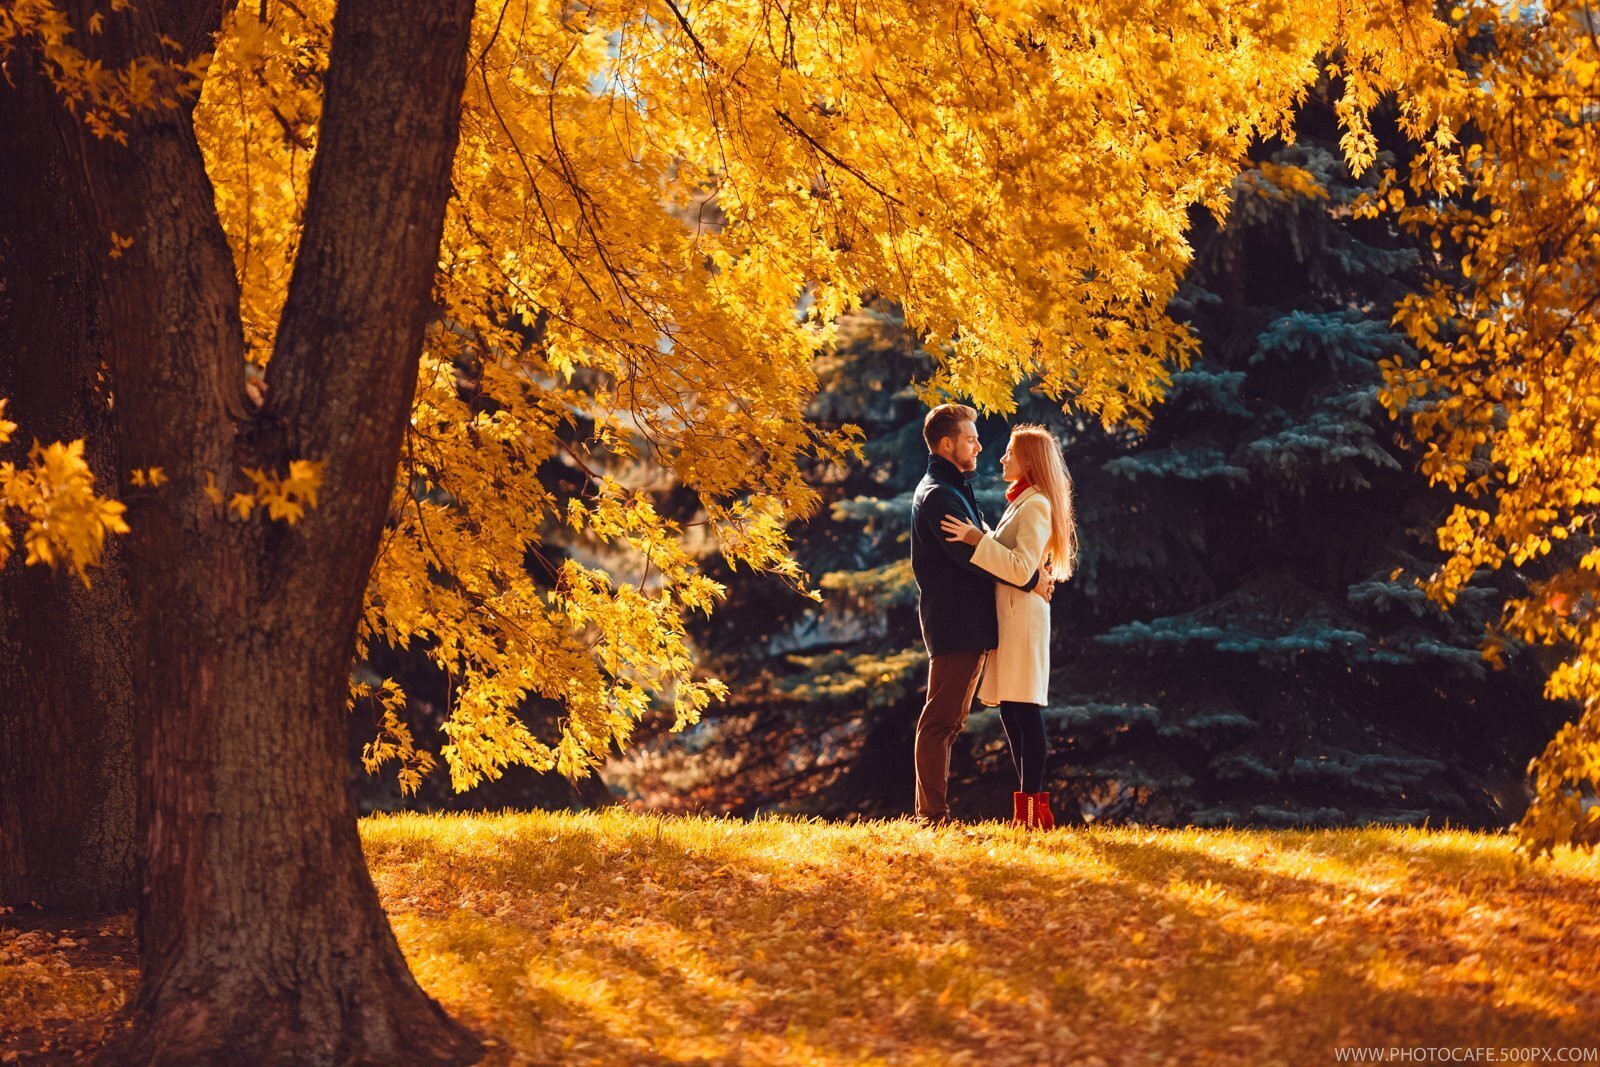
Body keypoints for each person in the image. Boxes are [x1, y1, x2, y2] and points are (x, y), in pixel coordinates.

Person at [910, 404, 1053, 825]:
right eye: (971, 439)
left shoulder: (954, 488)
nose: (980, 446)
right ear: (947, 444)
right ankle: (931, 816)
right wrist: (1031, 581)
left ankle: (940, 813)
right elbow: (969, 558)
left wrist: (1028, 574)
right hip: (957, 623)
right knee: (941, 721)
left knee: (953, 721)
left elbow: (986, 544)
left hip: (970, 623)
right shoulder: (940, 493)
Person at [940, 424, 1078, 829]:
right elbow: (1014, 556)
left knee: (1025, 711)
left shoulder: (1035, 505)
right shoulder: (1021, 501)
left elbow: (1020, 567)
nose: (1001, 459)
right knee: (1013, 713)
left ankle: (1034, 814)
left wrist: (973, 539)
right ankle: (1028, 811)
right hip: (1011, 617)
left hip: (1023, 618)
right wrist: (980, 535)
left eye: (1009, 454)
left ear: (1029, 461)